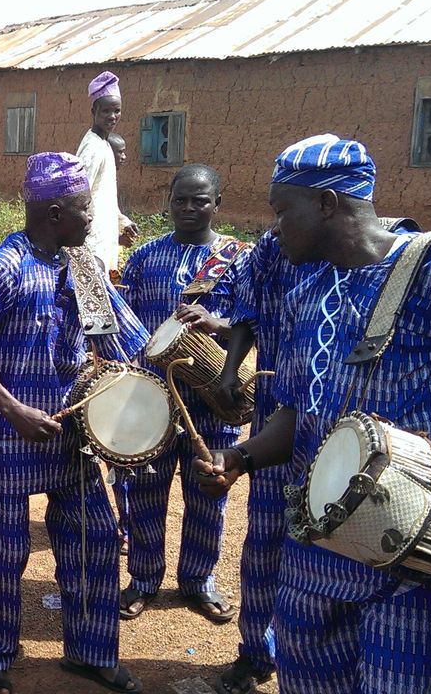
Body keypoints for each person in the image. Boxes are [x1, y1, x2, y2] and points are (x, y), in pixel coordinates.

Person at [194, 134, 431, 694]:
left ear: (328, 204)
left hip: (402, 563)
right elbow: (300, 410)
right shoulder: (309, 290)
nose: (275, 226)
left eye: (283, 210)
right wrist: (240, 456)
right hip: (313, 554)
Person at [0, 152, 148, 694]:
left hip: (72, 439)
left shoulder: (82, 266)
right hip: (9, 440)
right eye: (85, 210)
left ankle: (90, 650)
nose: (92, 220)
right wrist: (13, 409)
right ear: (56, 212)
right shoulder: (5, 266)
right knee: (6, 553)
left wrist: (182, 344)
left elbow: (125, 340)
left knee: (95, 541)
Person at [117, 164, 244, 624]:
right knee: (146, 492)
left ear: (217, 204)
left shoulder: (237, 259)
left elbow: (253, 324)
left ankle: (198, 582)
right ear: (167, 201)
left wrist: (218, 325)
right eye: (181, 200)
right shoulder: (145, 257)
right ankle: (143, 580)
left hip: (213, 400)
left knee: (208, 493)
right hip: (151, 398)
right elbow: (120, 321)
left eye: (200, 200)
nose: (189, 208)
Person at [76, 71, 137, 275]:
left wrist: (123, 223)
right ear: (94, 111)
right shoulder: (92, 147)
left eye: (117, 111)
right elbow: (80, 196)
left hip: (103, 242)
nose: (112, 116)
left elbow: (104, 200)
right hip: (91, 243)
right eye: (106, 111)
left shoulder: (104, 145)